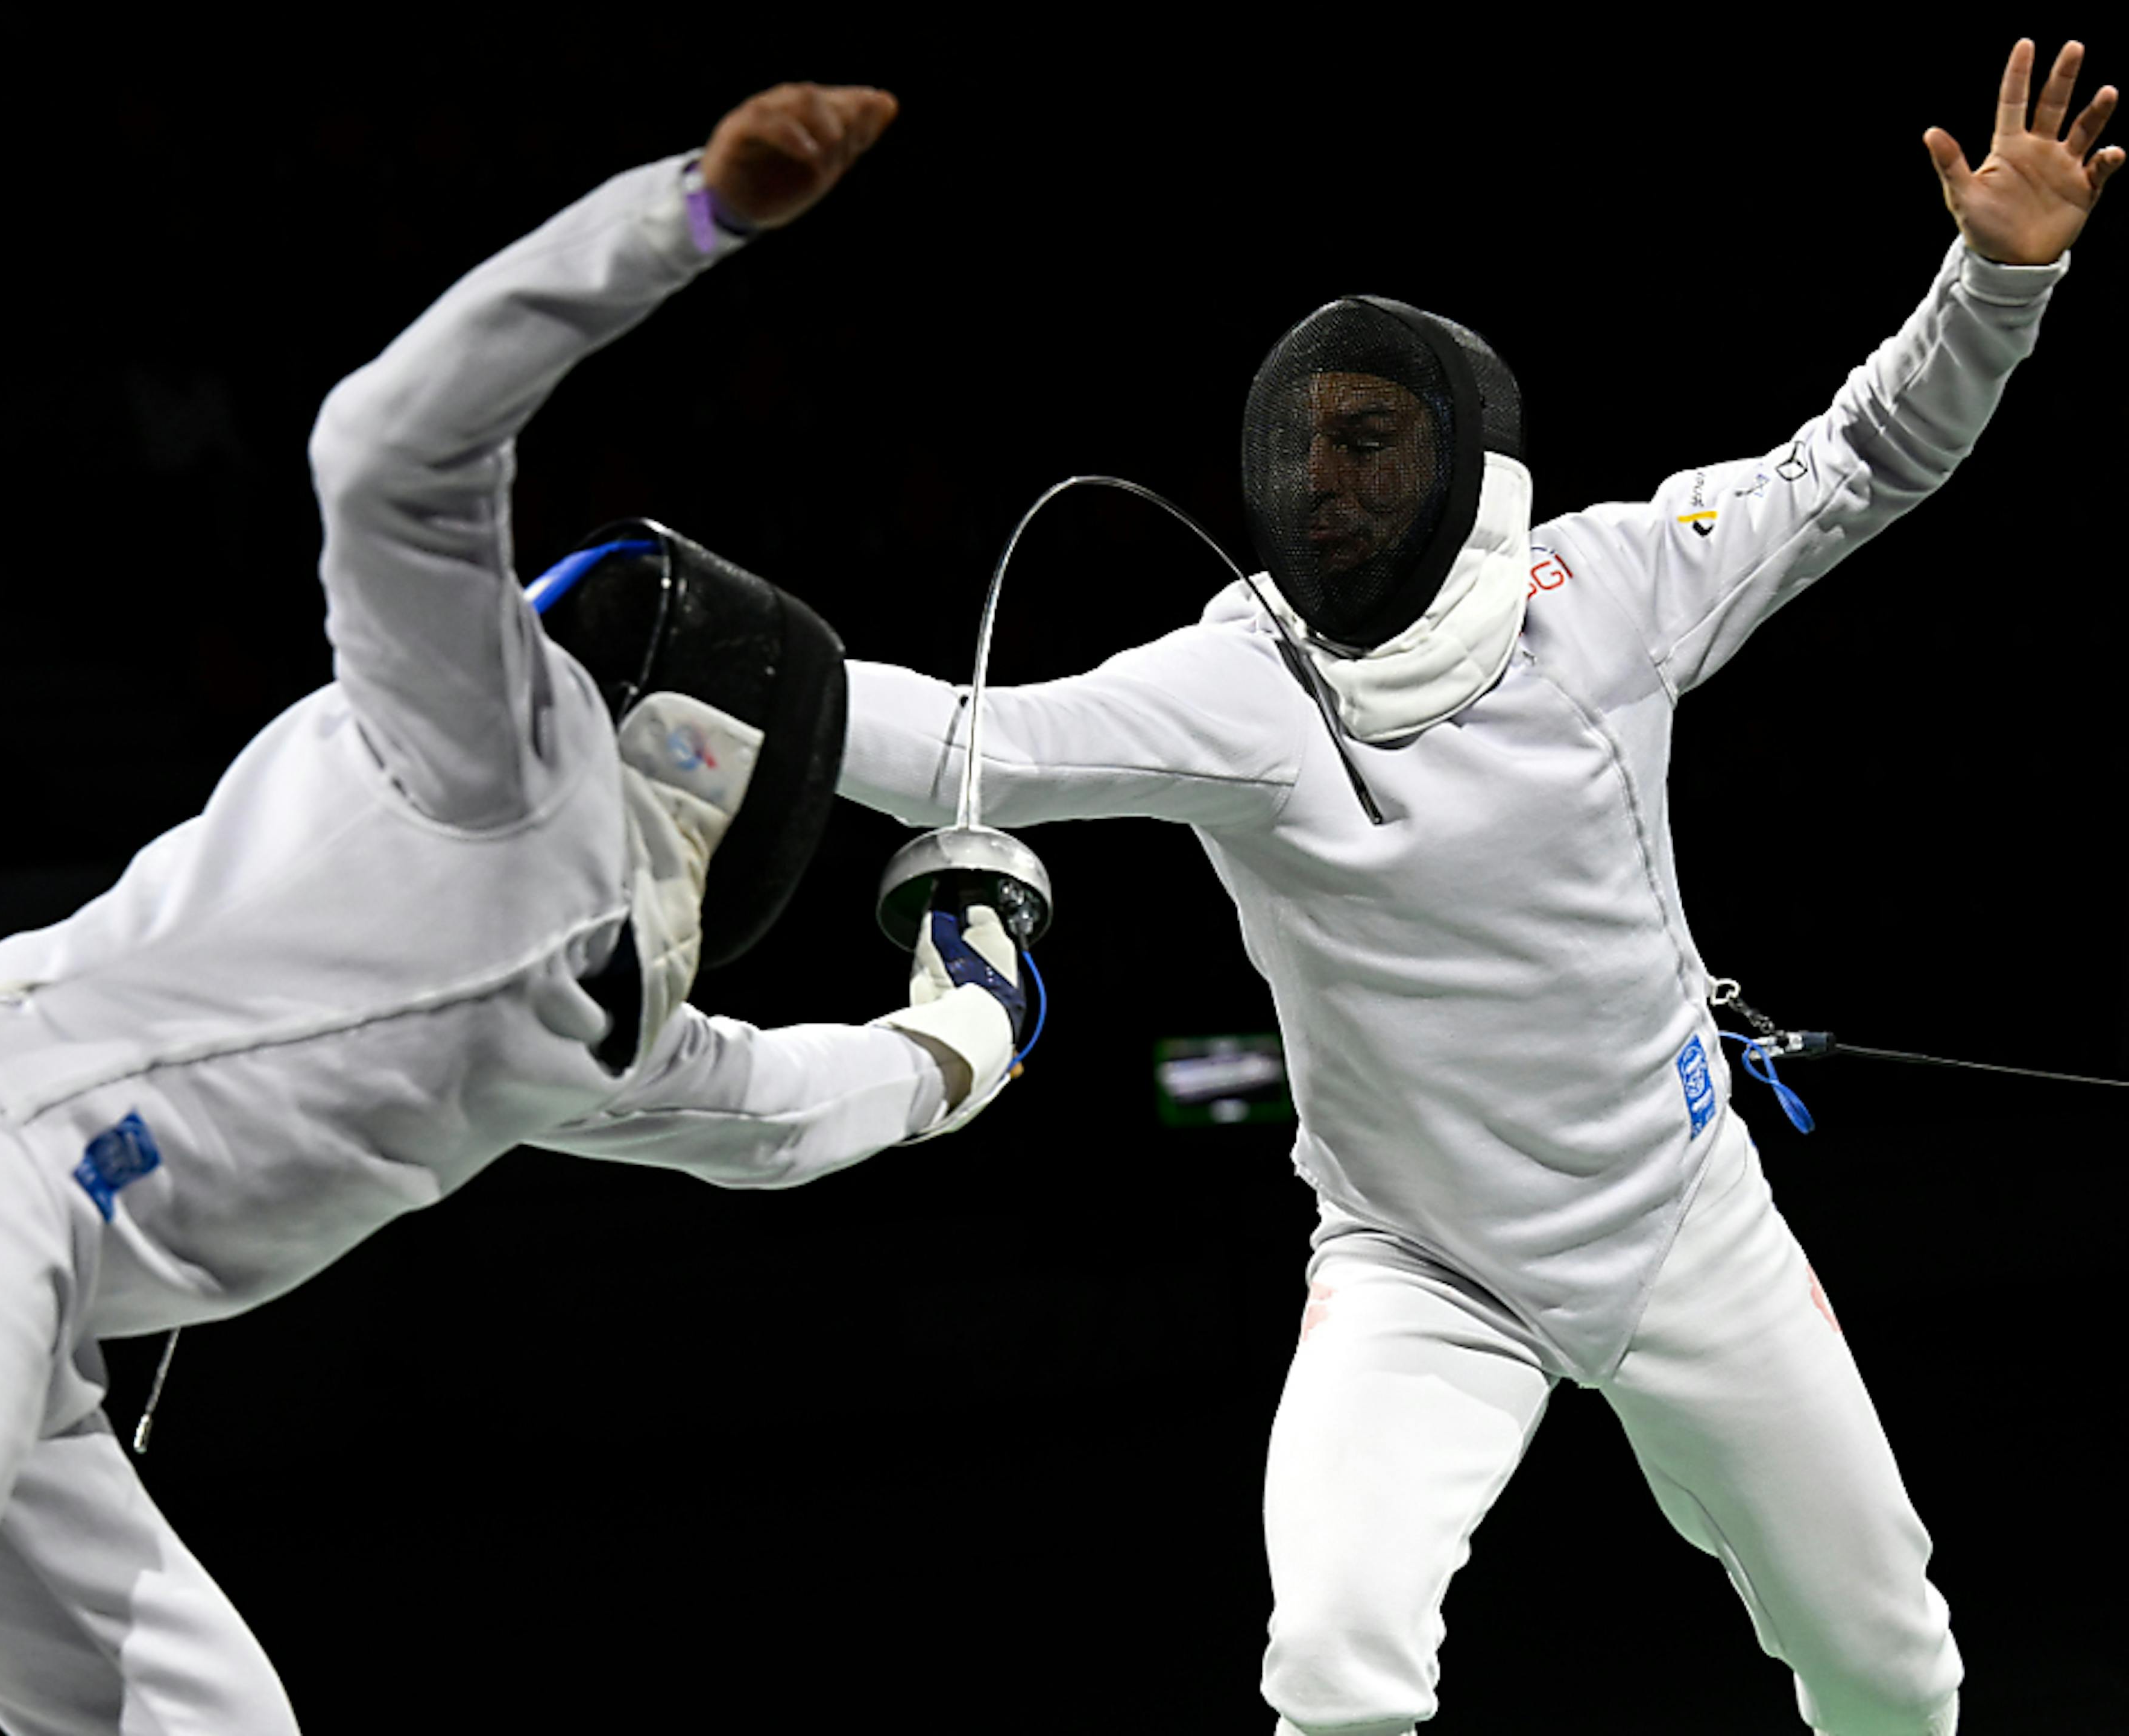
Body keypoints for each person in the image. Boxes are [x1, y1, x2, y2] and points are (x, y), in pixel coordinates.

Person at [837, 39, 2117, 1736]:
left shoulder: (1615, 589)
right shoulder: (1246, 686)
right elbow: (962, 749)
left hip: (1683, 1225)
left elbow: (1861, 457)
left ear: (1469, 470)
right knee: (1339, 1661)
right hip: (1417, 1263)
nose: (1330, 483)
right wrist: (721, 673)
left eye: (1371, 442)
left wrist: (1997, 281)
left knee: (1891, 1665)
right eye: (1305, 446)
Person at [0, 80, 1030, 1735]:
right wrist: (688, 215)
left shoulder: (600, 1032)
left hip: (23, 1279)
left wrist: (975, 1019)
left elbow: (791, 1111)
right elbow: (388, 445)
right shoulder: (492, 749)